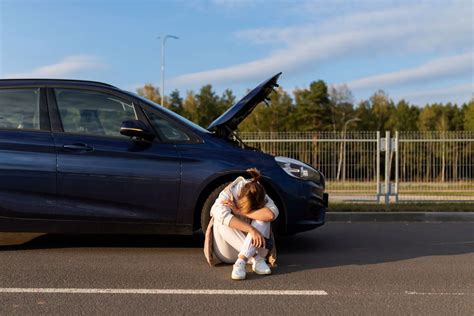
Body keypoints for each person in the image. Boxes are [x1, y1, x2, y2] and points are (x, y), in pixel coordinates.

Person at [205, 168, 279, 280]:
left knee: (263, 219)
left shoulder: (259, 192)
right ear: (239, 196)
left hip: (257, 247)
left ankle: (241, 261)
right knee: (220, 219)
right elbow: (216, 211)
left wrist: (241, 212)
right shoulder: (229, 192)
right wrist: (251, 229)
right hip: (227, 251)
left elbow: (271, 215)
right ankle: (256, 258)